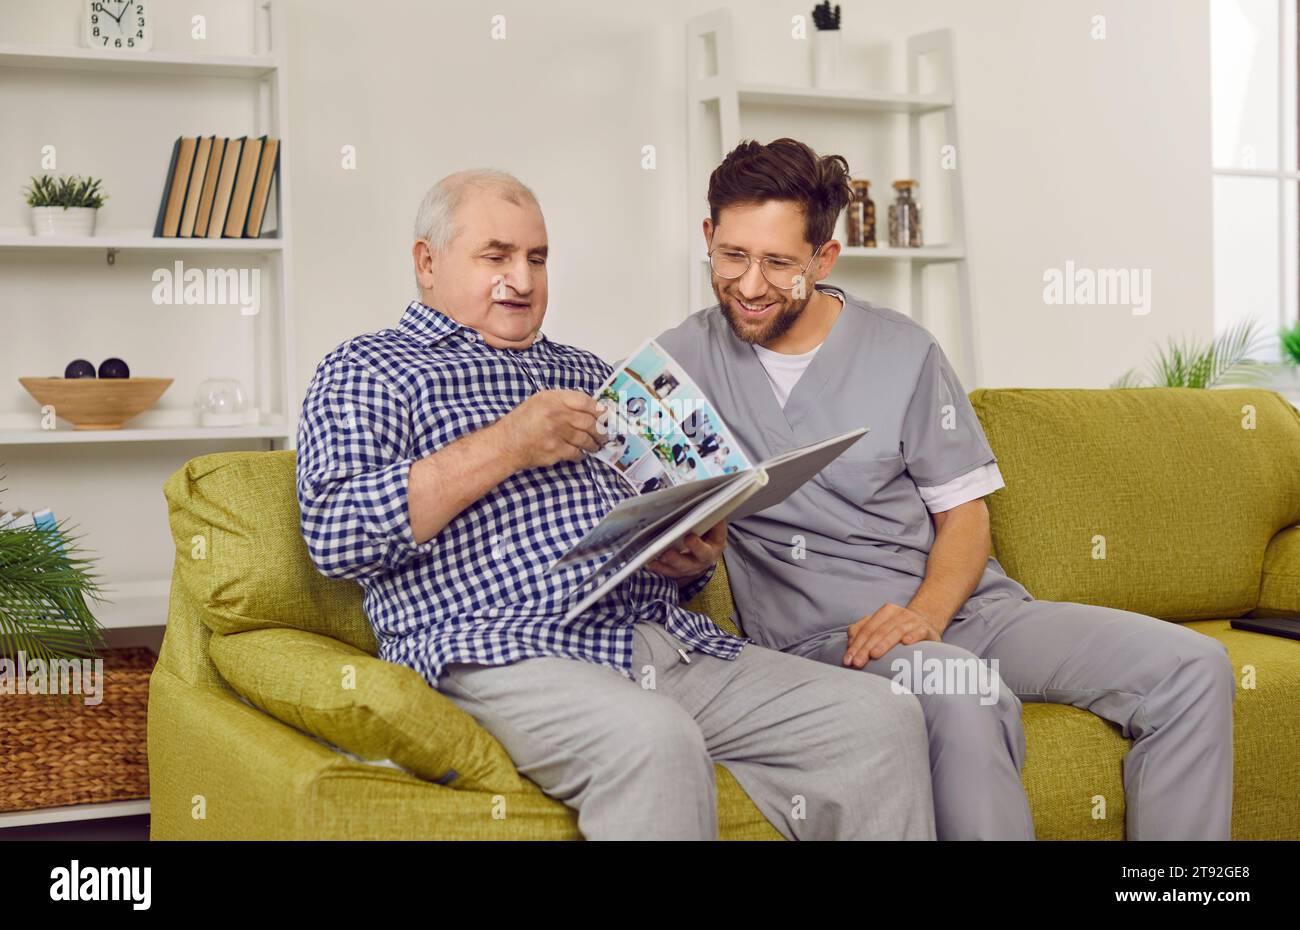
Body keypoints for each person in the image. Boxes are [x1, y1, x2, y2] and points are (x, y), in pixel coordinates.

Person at [295, 168, 936, 841]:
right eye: (496, 256)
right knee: (653, 740)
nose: (521, 278)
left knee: (880, 717)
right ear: (427, 262)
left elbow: (659, 523)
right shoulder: (367, 368)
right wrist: (508, 444)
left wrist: (691, 558)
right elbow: (338, 537)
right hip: (500, 648)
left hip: (657, 641)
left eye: (537, 259)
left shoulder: (597, 374)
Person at [655, 138, 1236, 841]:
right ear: (708, 237)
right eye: (733, 256)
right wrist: (686, 554)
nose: (749, 285)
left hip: (967, 610)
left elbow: (965, 516)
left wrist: (926, 614)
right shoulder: (676, 367)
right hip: (826, 640)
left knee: (1194, 666)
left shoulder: (903, 350)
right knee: (965, 692)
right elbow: (668, 526)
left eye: (778, 263)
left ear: (823, 259)